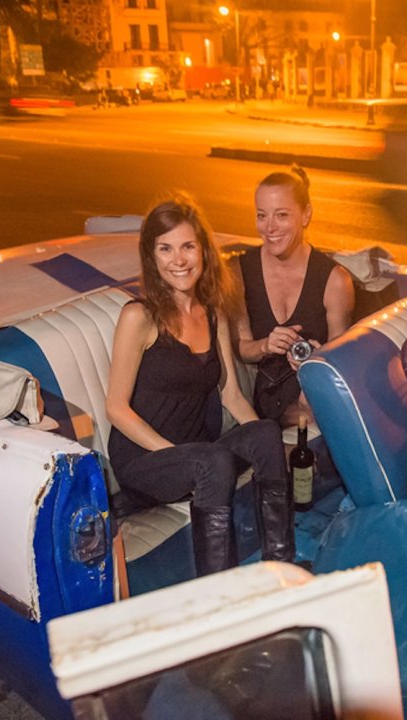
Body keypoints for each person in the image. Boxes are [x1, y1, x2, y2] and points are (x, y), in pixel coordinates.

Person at [106, 195, 294, 576]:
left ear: (203, 252)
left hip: (200, 457)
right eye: (166, 248)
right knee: (212, 460)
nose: (178, 260)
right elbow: (116, 407)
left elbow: (230, 394)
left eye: (188, 246)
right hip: (146, 463)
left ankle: (281, 561)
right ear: (152, 256)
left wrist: (262, 439)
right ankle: (217, 588)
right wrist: (177, 454)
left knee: (265, 431)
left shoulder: (212, 313)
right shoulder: (139, 316)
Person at [235, 166, 355, 427]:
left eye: (282, 215)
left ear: (306, 215)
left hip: (313, 397)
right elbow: (243, 348)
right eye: (261, 215)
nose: (269, 227)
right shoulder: (240, 271)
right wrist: (266, 345)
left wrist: (315, 361)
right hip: (265, 402)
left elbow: (339, 365)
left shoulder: (335, 280)